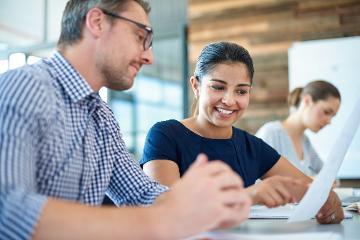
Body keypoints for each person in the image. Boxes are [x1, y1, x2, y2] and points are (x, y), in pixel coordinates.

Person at [0, 1, 252, 239]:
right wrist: (163, 220)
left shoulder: (101, 116)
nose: (149, 57)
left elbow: (140, 193)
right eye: (139, 37)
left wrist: (202, 206)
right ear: (97, 22)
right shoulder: (27, 86)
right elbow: (8, 210)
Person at [140, 42, 344, 224]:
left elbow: (311, 190)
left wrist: (327, 198)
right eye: (218, 87)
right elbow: (164, 210)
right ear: (196, 86)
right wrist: (249, 195)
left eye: (241, 91)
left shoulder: (251, 145)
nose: (229, 100)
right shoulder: (165, 135)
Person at [256, 80, 341, 177]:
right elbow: (257, 180)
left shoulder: (305, 141)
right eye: (326, 112)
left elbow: (327, 174)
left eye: (332, 116)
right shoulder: (271, 133)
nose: (329, 121)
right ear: (307, 101)